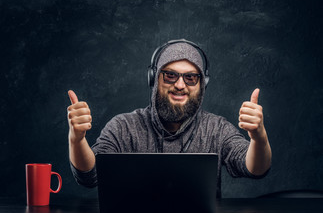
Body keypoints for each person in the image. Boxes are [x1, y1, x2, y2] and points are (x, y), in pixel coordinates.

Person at [67, 39, 271, 196]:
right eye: (170, 75)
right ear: (154, 79)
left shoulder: (216, 129)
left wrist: (258, 137)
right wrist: (77, 140)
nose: (180, 85)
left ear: (202, 84)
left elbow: (255, 169)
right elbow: (90, 176)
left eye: (191, 77)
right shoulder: (123, 126)